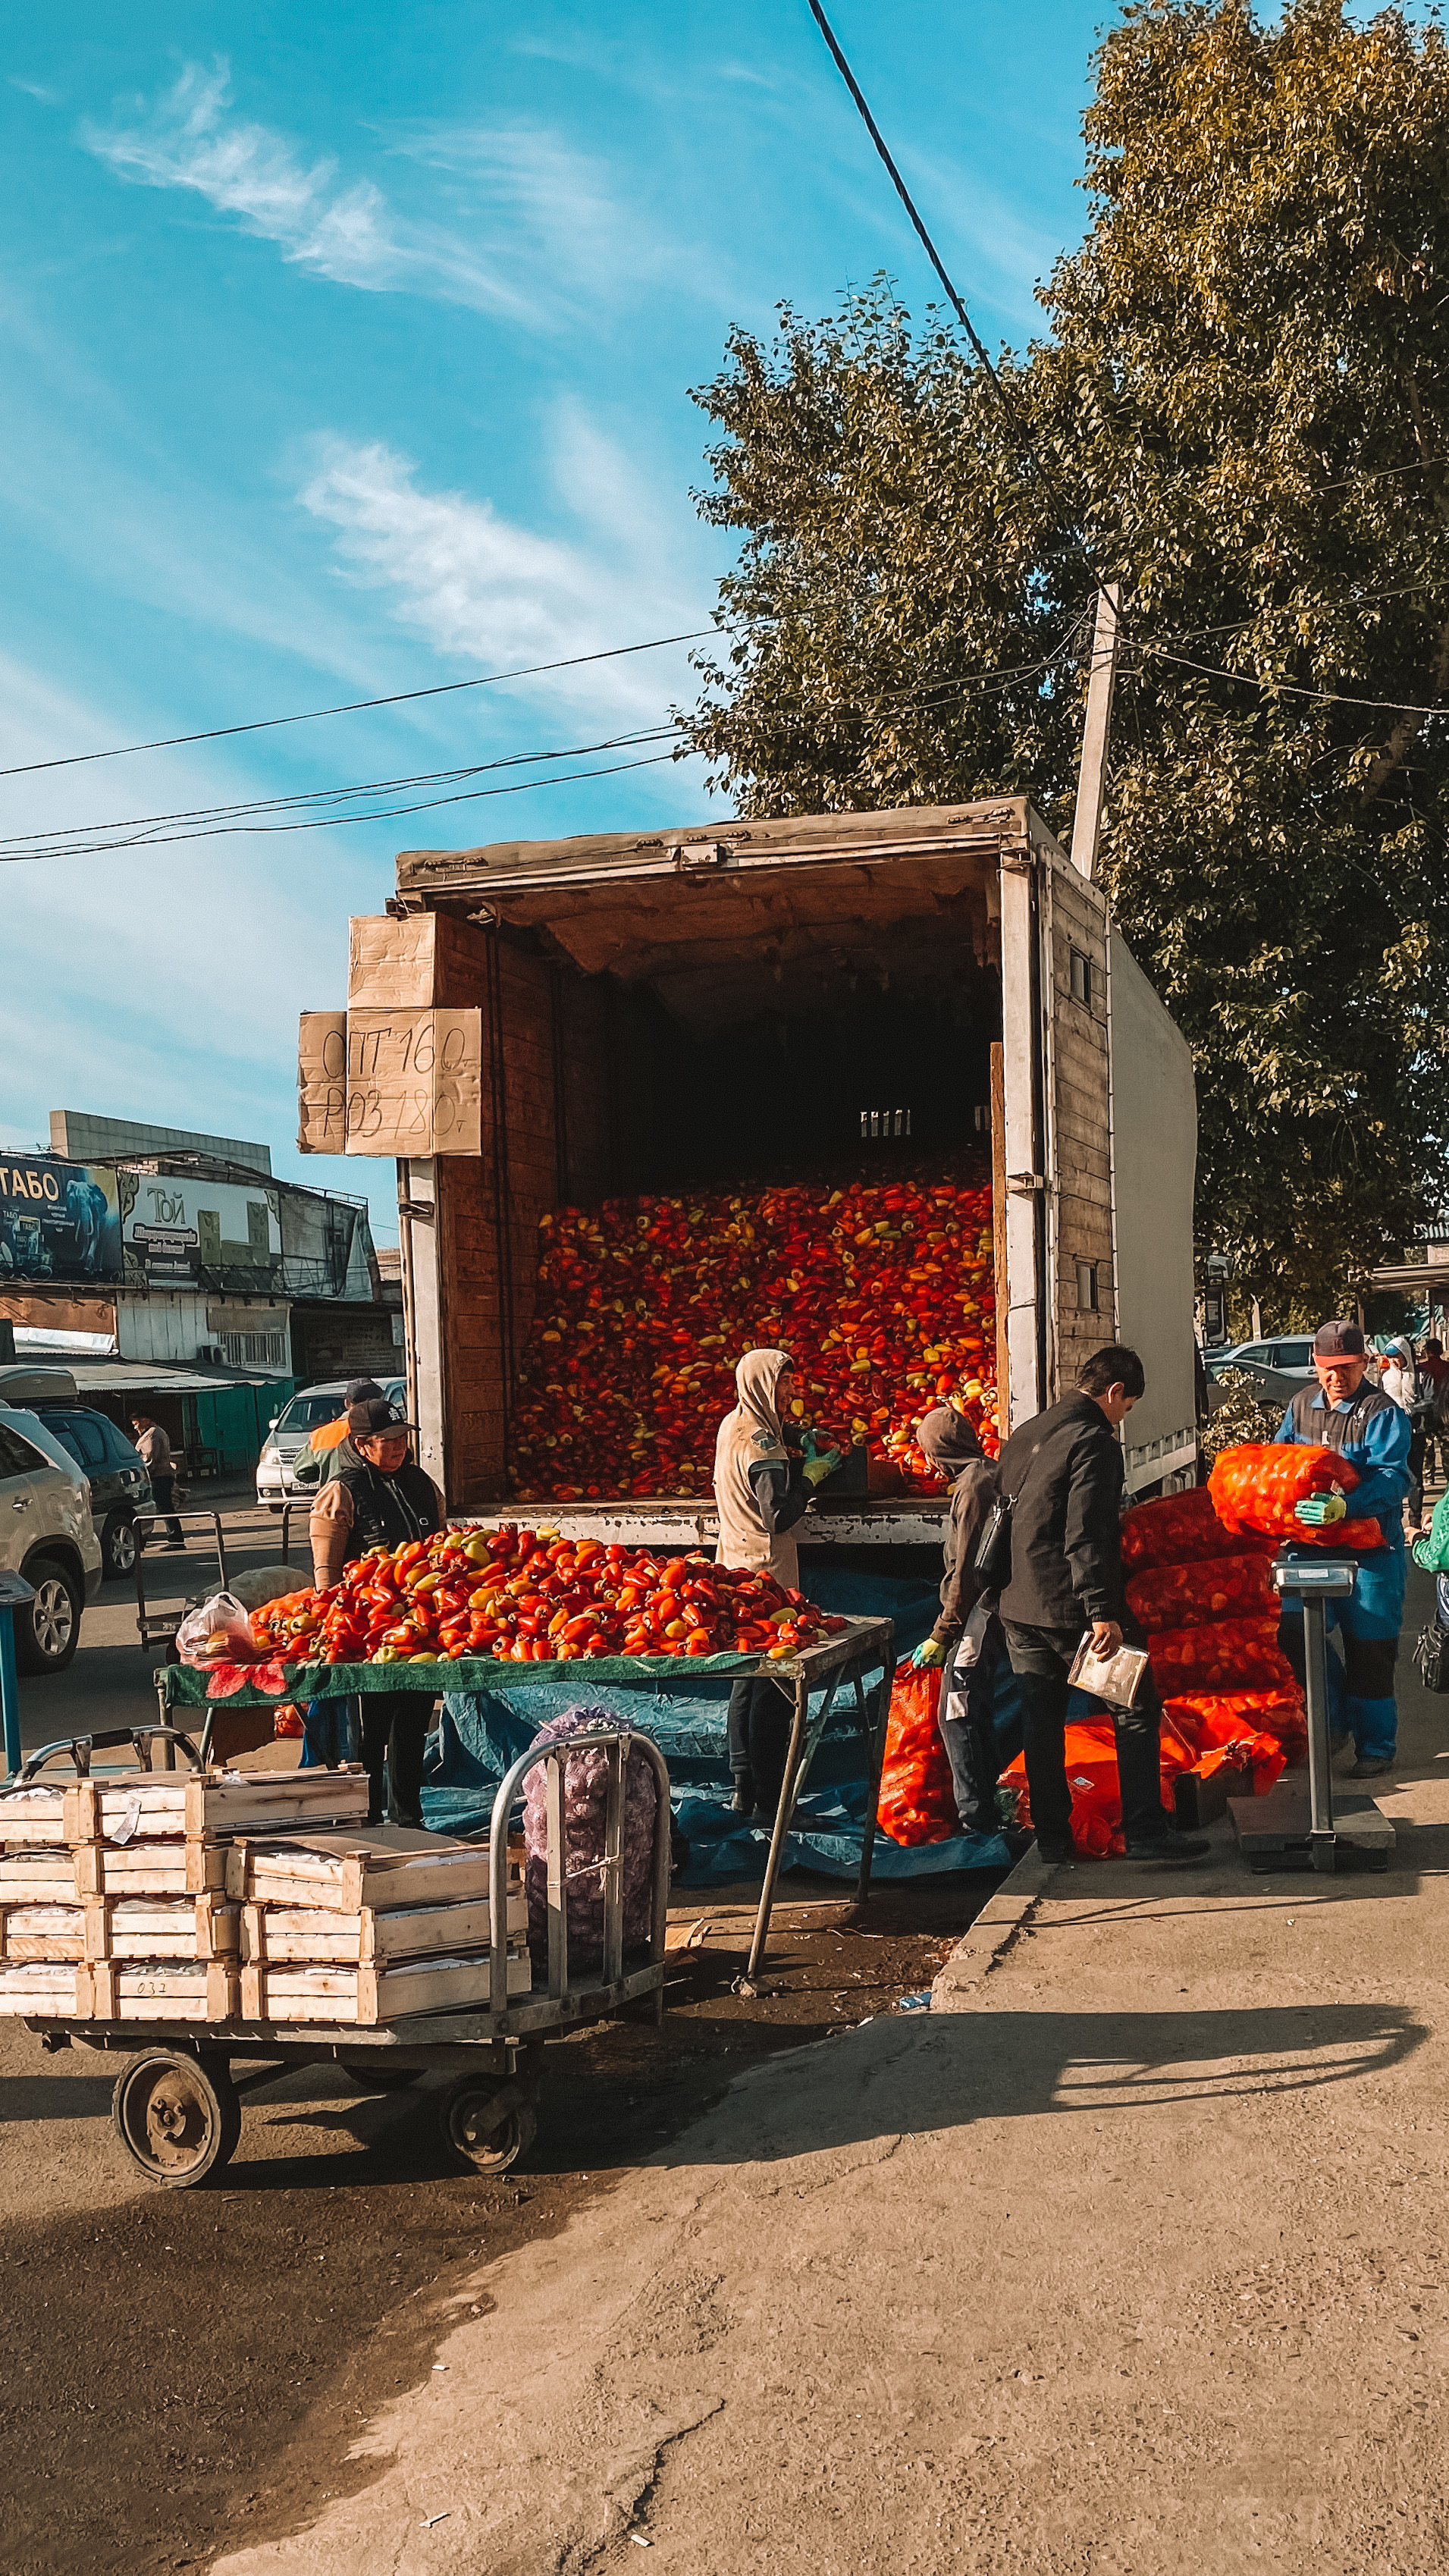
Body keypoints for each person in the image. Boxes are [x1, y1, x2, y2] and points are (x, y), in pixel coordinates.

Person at [994, 1343, 1209, 1866]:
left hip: (1017, 1604)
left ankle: (1051, 1838)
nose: (1122, 1418)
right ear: (1113, 1392)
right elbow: (1085, 1532)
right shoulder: (1092, 1441)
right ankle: (1145, 1832)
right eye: (1126, 1407)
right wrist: (1100, 1610)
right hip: (1070, 1607)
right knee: (1134, 1706)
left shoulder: (1026, 1433)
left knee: (1040, 1720)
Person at [1273, 1319, 1411, 1779]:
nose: (1337, 1377)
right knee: (1294, 1635)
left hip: (1372, 1554)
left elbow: (1394, 1478)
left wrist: (1346, 1507)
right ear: (1315, 1364)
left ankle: (1376, 1746)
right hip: (1308, 1548)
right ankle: (1335, 1722)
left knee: (1369, 1649)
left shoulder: (1382, 1411)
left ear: (1364, 1363)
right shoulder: (1299, 1406)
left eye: (1348, 1367)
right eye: (1329, 1367)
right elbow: (1277, 1464)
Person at [713, 1348, 839, 1818]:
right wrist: (809, 1477)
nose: (791, 1392)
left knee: (745, 1683)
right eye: (784, 1383)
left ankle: (743, 1787)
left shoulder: (732, 1426)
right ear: (764, 1384)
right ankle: (772, 1797)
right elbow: (779, 1516)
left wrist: (798, 1437)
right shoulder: (762, 1445)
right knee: (773, 1688)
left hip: (732, 1566)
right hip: (767, 1577)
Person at [309, 1397, 447, 1826]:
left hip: (421, 1626)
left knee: (411, 1726)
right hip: (368, 1631)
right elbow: (326, 1570)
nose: (397, 1447)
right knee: (370, 1733)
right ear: (362, 1444)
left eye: (401, 1438)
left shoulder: (420, 1483)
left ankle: (409, 1815)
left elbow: (441, 1544)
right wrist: (334, 1619)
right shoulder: (342, 1490)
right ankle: (365, 1815)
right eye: (387, 1441)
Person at [910, 1405, 1006, 1833]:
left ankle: (975, 1817)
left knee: (958, 1708)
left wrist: (942, 1633)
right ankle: (983, 1803)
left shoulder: (973, 1488)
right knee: (975, 1707)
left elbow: (968, 1571)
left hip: (979, 1612)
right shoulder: (987, 1472)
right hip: (985, 1608)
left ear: (936, 1454)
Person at [293, 1377, 387, 1492]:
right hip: (377, 1503)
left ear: (347, 1403)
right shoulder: (387, 1430)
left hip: (335, 1503)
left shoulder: (321, 1435)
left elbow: (301, 1472)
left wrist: (328, 1469)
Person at [1381, 1336, 1429, 1534]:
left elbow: (1431, 1400)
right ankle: (1394, 1521)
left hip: (1415, 1433)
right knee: (1392, 1476)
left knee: (1415, 1478)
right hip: (1392, 1434)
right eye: (1390, 1358)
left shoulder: (1420, 1376)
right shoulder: (1385, 1377)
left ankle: (1415, 1522)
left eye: (1398, 1357)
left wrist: (1412, 1410)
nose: (1394, 1362)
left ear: (1406, 1355)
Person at [130, 1413, 183, 1548]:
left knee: (163, 1507)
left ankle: (175, 1539)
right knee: (164, 1507)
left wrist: (141, 1476)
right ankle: (174, 1538)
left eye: (137, 1424)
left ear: (145, 1421)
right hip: (161, 1476)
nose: (135, 1428)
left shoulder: (152, 1434)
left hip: (158, 1476)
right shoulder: (155, 1432)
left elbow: (150, 1459)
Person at [1420, 1338, 1449, 1495]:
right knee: (1446, 1445)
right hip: (1446, 1412)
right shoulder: (1447, 1367)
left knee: (1428, 1444)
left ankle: (1428, 1476)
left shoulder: (1422, 1369)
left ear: (1428, 1351)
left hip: (1428, 1412)